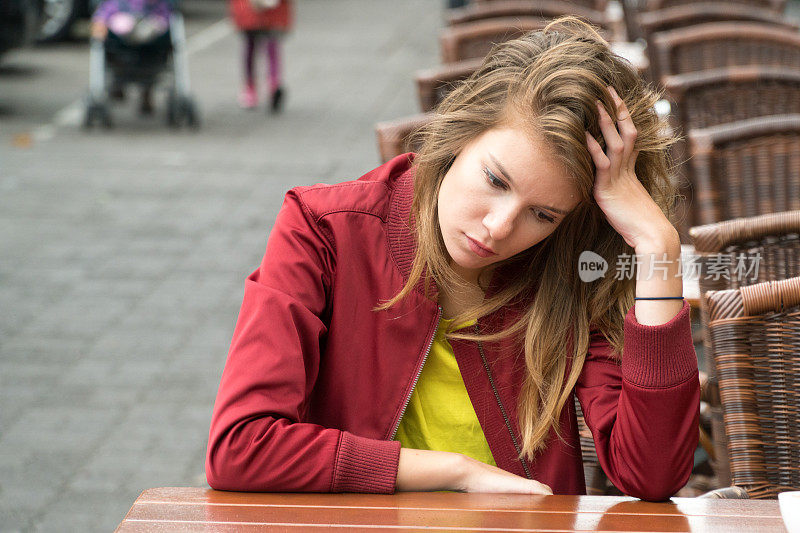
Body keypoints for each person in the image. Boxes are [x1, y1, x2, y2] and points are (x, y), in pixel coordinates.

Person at [205, 17, 699, 501]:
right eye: (495, 180)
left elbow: (652, 475)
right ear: (458, 135)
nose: (499, 227)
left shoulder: (566, 266)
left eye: (543, 214)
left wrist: (659, 247)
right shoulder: (325, 229)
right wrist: (455, 472)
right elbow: (241, 447)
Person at [90, 0, 173, 114]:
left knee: (155, 30)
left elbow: (167, 19)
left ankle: (145, 93)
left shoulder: (158, 5)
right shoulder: (115, 4)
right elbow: (101, 18)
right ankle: (120, 86)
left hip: (151, 47)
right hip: (121, 45)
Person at [229, 0, 292, 111]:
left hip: (270, 9)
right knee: (254, 45)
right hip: (249, 8)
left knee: (269, 44)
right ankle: (253, 86)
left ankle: (272, 85)